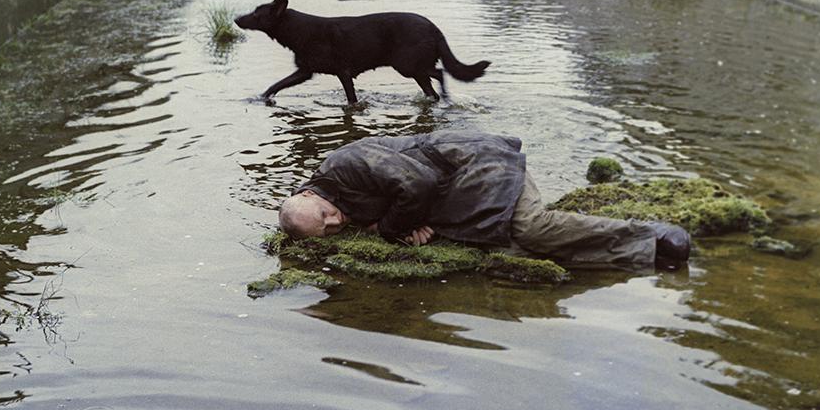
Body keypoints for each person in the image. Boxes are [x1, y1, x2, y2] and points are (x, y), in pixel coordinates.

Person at [278, 130, 691, 270]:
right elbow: (408, 196)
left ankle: (650, 237)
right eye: (328, 231)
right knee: (512, 247)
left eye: (328, 216)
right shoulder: (328, 200)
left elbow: (417, 184)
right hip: (459, 189)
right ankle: (649, 259)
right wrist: (405, 224)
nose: (336, 224)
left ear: (307, 193)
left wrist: (389, 229)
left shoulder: (344, 163)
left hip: (478, 163)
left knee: (530, 228)